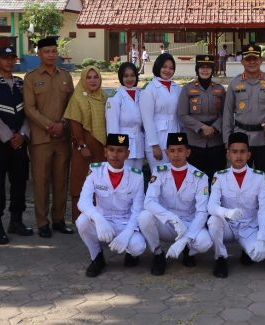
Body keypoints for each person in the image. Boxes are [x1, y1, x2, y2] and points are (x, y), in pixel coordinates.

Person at [138, 133, 213, 276]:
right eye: (172, 151)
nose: (176, 155)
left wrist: (185, 239)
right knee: (144, 217)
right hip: (167, 224)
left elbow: (202, 212)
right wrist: (171, 217)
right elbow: (149, 201)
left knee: (205, 242)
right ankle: (158, 254)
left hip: (189, 224)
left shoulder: (200, 177)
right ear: (166, 153)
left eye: (180, 150)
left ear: (188, 152)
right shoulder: (159, 172)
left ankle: (188, 251)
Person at [0, 44, 33, 244]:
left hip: (19, 143)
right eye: (4, 58)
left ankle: (16, 221)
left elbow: (28, 112)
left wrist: (22, 134)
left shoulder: (21, 84)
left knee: (19, 182)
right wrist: (8, 136)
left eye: (12, 58)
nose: (9, 61)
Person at [23, 36, 75, 238]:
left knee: (61, 180)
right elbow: (30, 108)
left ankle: (59, 220)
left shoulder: (66, 76)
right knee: (41, 181)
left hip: (62, 137)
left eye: (54, 51)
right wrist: (49, 125)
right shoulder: (31, 78)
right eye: (47, 51)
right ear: (39, 54)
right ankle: (42, 222)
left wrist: (62, 124)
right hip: (41, 139)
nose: (51, 55)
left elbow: (72, 104)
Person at [75, 133, 146, 277]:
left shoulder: (136, 176)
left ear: (127, 154)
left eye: (120, 151)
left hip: (124, 222)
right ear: (105, 152)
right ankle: (97, 257)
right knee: (82, 221)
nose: (115, 155)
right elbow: (83, 201)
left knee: (138, 247)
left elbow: (138, 210)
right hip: (102, 220)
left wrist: (127, 233)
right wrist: (98, 218)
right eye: (111, 150)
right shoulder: (95, 171)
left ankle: (130, 253)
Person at [207, 132, 265, 278]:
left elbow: (263, 210)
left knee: (257, 255)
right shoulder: (219, 176)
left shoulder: (259, 177)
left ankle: (246, 250)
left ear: (249, 154)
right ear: (228, 154)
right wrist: (226, 213)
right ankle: (220, 257)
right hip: (228, 225)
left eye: (242, 152)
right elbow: (211, 205)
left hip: (249, 227)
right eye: (234, 152)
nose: (238, 156)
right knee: (213, 221)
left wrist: (261, 239)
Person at [222, 44, 265, 183]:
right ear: (242, 61)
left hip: (264, 137)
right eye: (248, 59)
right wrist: (227, 140)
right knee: (241, 180)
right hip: (241, 139)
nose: (252, 62)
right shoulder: (234, 83)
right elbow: (227, 113)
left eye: (255, 59)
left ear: (261, 60)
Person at [64, 65, 108, 223]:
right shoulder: (77, 98)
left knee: (99, 184)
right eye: (88, 77)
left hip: (100, 148)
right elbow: (74, 123)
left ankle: (97, 219)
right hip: (84, 147)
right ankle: (78, 219)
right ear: (83, 79)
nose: (93, 80)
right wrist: (82, 145)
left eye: (95, 77)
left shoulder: (103, 96)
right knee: (80, 182)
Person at [177, 55, 226, 180]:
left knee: (216, 177)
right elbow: (182, 114)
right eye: (202, 67)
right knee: (195, 178)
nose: (205, 70)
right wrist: (201, 127)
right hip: (194, 141)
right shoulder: (188, 89)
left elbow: (226, 113)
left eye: (208, 67)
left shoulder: (219, 89)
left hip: (215, 140)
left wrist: (214, 128)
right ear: (197, 69)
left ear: (212, 70)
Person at [139, 52, 181, 169]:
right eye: (164, 67)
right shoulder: (149, 89)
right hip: (158, 140)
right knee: (159, 177)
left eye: (171, 68)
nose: (168, 70)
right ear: (158, 67)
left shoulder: (177, 88)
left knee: (172, 177)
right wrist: (154, 145)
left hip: (174, 138)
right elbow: (147, 119)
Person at [105, 62, 145, 170]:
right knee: (124, 177)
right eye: (126, 76)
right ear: (120, 77)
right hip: (122, 143)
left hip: (139, 142)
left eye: (132, 75)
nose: (129, 79)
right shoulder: (115, 97)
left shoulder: (141, 93)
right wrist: (115, 150)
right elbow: (112, 125)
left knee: (137, 176)